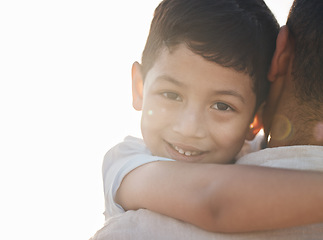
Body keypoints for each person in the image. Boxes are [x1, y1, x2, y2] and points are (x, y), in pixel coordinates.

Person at [90, 0, 323, 238]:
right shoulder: (128, 162)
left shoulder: (253, 152)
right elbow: (213, 202)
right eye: (171, 94)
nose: (189, 128)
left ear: (256, 120)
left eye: (222, 106)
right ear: (139, 87)